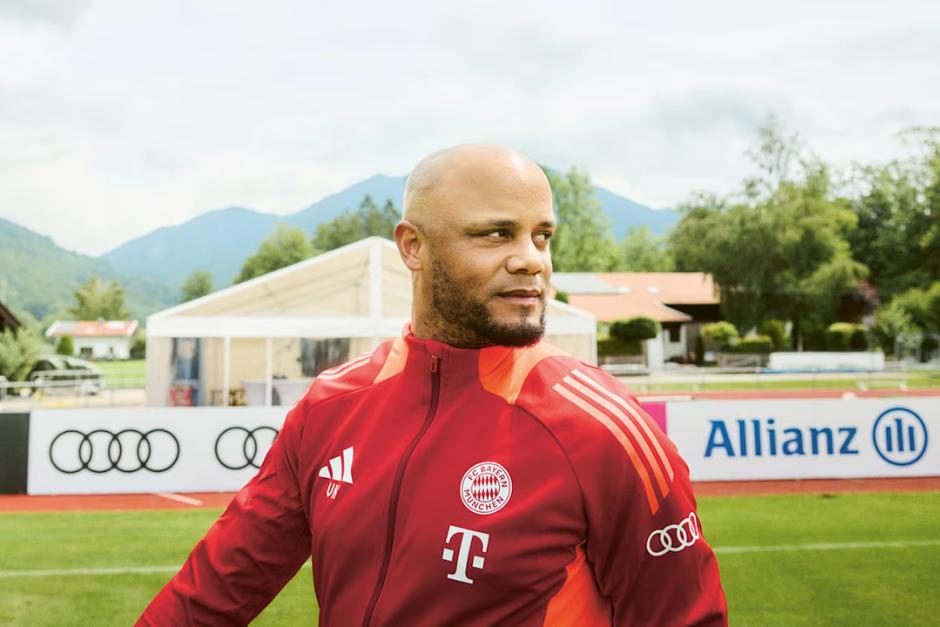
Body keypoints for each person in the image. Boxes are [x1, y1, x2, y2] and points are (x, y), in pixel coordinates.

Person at [138, 144, 727, 626]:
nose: (531, 261)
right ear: (413, 246)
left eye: (542, 236)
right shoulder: (330, 407)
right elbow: (213, 594)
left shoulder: (602, 427)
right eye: (497, 234)